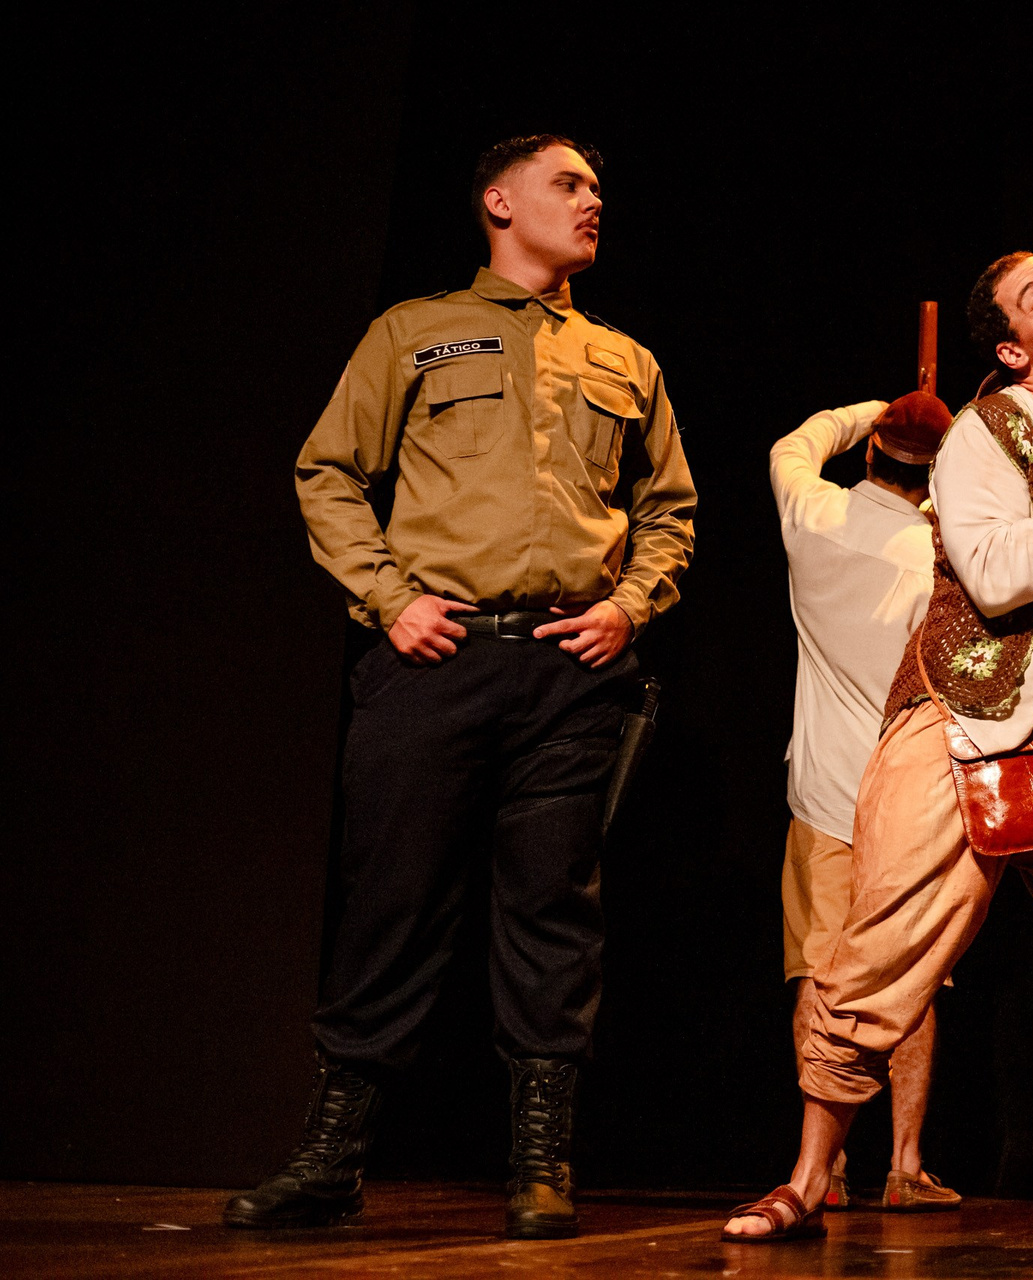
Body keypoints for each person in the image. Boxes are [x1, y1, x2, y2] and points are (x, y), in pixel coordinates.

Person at [224, 135, 696, 1240]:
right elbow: (327, 470)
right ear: (499, 200)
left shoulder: (625, 358)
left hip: (571, 671)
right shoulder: (414, 331)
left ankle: (541, 1165)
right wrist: (388, 598)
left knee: (552, 914)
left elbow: (669, 509)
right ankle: (332, 1159)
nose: (592, 201)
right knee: (391, 905)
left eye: (597, 187)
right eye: (568, 183)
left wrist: (630, 606)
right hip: (435, 660)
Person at [723, 253, 1033, 1252]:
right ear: (1013, 350)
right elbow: (989, 570)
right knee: (878, 951)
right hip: (960, 719)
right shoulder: (985, 432)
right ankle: (807, 1177)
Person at [771, 390, 962, 1211]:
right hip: (907, 789)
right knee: (909, 974)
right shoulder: (941, 554)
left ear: (872, 455)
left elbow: (793, 444)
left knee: (821, 970)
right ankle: (905, 1164)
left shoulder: (812, 515)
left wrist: (871, 408)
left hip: (824, 787)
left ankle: (829, 1165)